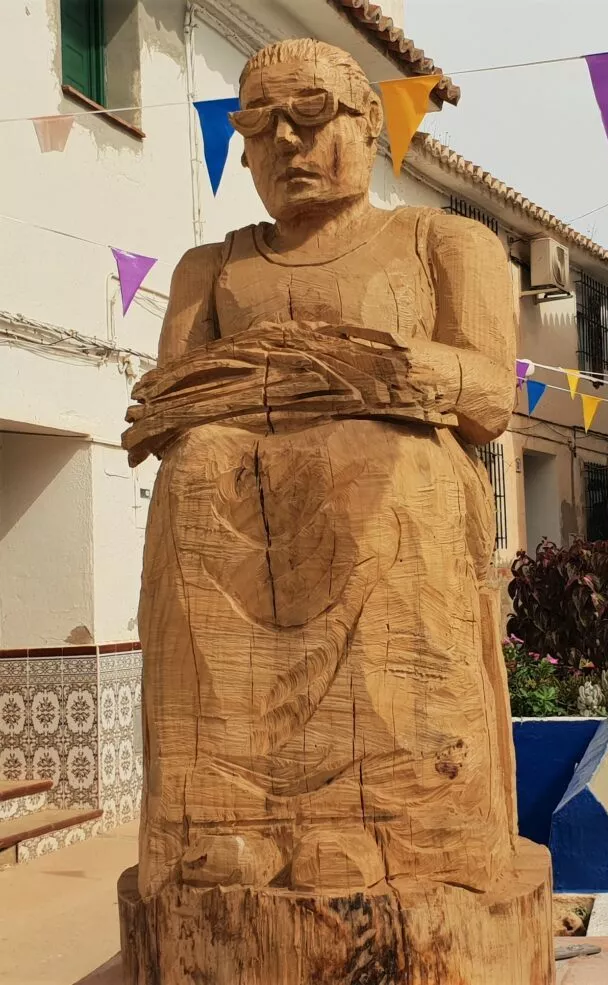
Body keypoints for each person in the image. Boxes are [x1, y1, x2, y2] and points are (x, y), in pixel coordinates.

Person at [123, 40, 518, 898]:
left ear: (370, 123)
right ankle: (224, 820)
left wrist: (411, 372)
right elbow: (169, 405)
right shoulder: (213, 268)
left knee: (388, 462)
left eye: (309, 117)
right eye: (259, 127)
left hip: (387, 492)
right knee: (194, 472)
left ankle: (394, 824)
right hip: (243, 501)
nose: (287, 146)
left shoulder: (441, 240)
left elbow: (491, 396)